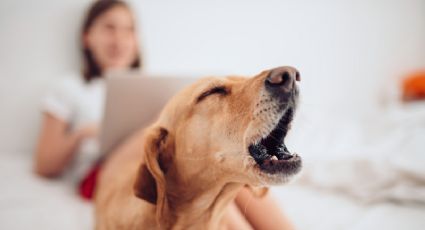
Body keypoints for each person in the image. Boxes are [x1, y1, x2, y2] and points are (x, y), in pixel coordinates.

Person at [33, 1, 294, 229]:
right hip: (103, 172)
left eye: (129, 30)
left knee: (222, 175)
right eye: (109, 28)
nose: (120, 39)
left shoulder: (151, 84)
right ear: (87, 37)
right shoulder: (69, 88)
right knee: (206, 174)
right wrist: (84, 133)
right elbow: (44, 165)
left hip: (165, 158)